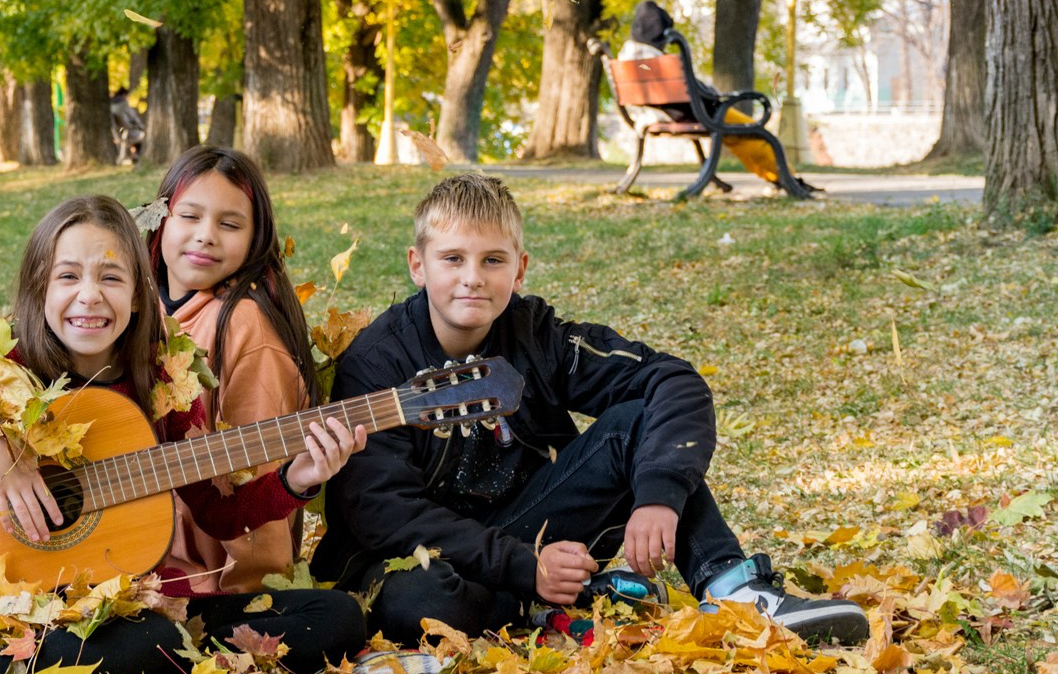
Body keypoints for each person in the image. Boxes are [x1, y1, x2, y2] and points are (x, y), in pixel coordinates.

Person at [310, 173, 869, 645]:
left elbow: (672, 380)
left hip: (530, 529)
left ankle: (733, 589)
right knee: (420, 607)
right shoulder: (378, 362)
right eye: (452, 258)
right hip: (424, 558)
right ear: (417, 264)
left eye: (493, 259)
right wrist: (524, 567)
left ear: (520, 269)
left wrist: (658, 494)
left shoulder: (536, 335)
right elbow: (380, 510)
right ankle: (541, 600)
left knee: (641, 428)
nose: (472, 277)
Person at [0, 194, 370, 674]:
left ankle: (145, 671)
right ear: (39, 290)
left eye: (111, 277)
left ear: (140, 295)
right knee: (155, 642)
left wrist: (297, 480)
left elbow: (216, 513)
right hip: (28, 610)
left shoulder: (166, 387)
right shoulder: (5, 371)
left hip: (141, 605)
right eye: (67, 276)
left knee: (337, 617)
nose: (89, 296)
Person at [146, 146, 320, 590]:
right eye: (189, 216)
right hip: (120, 554)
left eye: (229, 224)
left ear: (255, 238)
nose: (206, 235)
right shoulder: (127, 306)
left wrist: (244, 606)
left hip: (200, 581)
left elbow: (258, 477)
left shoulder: (245, 327)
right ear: (159, 218)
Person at [110, 87, 146, 166]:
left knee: (132, 139)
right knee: (141, 136)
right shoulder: (124, 104)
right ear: (124, 95)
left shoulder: (111, 105)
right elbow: (134, 117)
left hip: (118, 131)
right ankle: (135, 155)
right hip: (129, 130)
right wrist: (142, 126)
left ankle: (133, 155)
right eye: (128, 96)